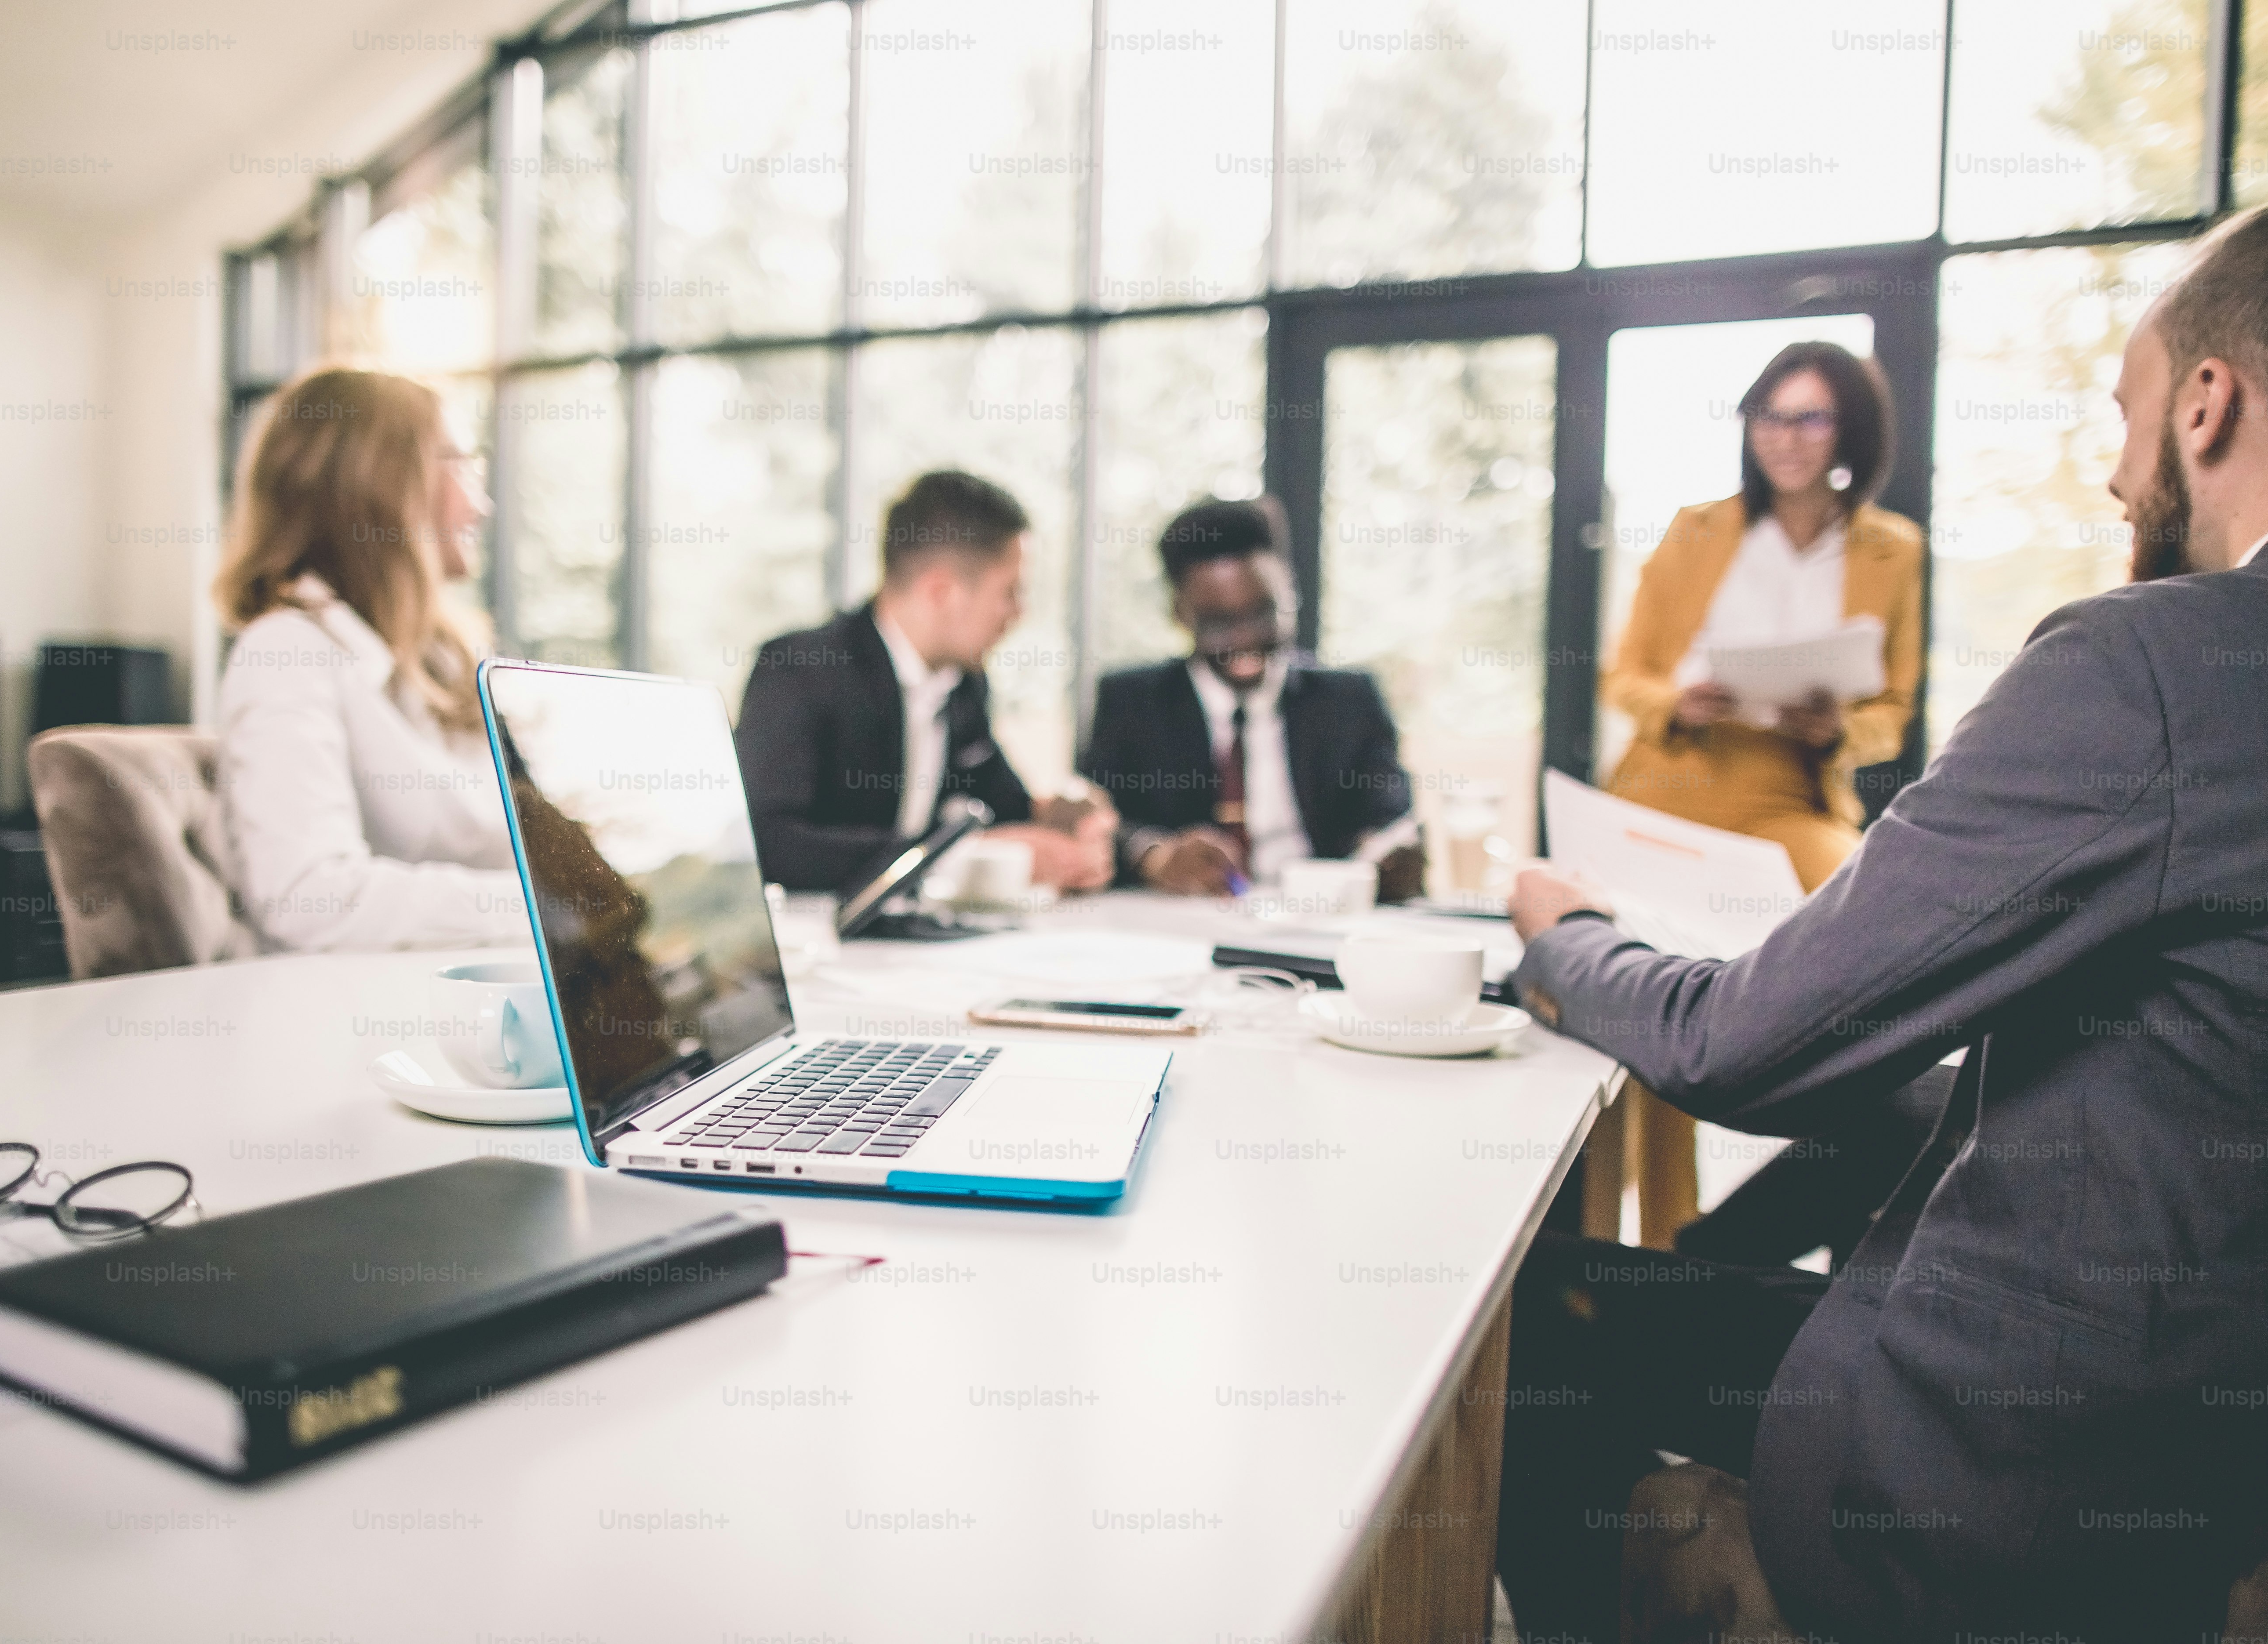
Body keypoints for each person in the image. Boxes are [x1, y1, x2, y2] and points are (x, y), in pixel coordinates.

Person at [1494, 208, 2268, 1644]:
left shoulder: (2156, 665)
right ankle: (1708, 1253)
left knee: (1517, 1320)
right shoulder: (1699, 534)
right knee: (1878, 1104)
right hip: (2205, 1430)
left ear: (2205, 403)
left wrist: (1561, 933)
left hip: (2000, 1469)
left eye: (2125, 413)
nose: (2115, 472)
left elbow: (1733, 1045)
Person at [1600, 341, 1926, 1247]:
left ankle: (1837, 1196)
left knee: (1874, 939)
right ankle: (1666, 1249)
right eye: (1769, 415)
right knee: (1657, 993)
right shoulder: (1696, 530)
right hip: (1668, 784)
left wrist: (1837, 728)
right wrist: (1676, 701)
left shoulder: (1892, 549)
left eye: (1810, 416)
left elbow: (1893, 711)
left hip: (1788, 794)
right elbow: (1623, 675)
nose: (1785, 436)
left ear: (1848, 430)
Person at [214, 367, 530, 952]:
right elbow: (309, 898)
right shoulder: (285, 653)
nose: (482, 504)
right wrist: (545, 910)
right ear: (380, 486)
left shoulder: (441, 662)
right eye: (460, 466)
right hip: (357, 1004)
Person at [735, 471, 1114, 895]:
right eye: (1010, 592)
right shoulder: (800, 669)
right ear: (941, 592)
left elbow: (1006, 807)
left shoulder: (965, 686)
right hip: (816, 927)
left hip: (921, 930)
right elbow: (769, 843)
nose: (1018, 613)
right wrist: (965, 858)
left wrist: (1060, 818)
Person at [1079, 498, 1422, 899]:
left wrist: (1383, 856)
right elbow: (1093, 819)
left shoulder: (1349, 702)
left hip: (1319, 915)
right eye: (1218, 622)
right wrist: (1156, 855)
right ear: (1179, 613)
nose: (1244, 639)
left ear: (1290, 594)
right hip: (1183, 917)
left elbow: (1389, 819)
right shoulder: (1132, 703)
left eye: (1263, 613)